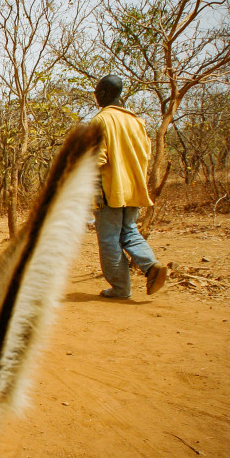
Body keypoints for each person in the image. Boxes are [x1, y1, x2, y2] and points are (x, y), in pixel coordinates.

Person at [89, 75, 169, 299]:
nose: (96, 97)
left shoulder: (101, 120)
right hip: (134, 188)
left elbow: (96, 159)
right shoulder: (137, 121)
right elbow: (146, 155)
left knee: (109, 239)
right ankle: (152, 268)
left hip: (110, 190)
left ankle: (121, 289)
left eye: (97, 93)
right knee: (129, 232)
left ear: (103, 94)